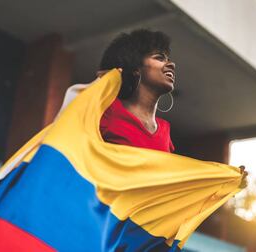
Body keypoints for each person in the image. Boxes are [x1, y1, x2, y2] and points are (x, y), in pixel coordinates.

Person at [97, 29, 247, 185]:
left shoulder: (164, 132)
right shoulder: (107, 112)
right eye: (159, 58)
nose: (171, 64)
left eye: (168, 59)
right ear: (135, 68)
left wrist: (226, 180)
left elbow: (169, 185)